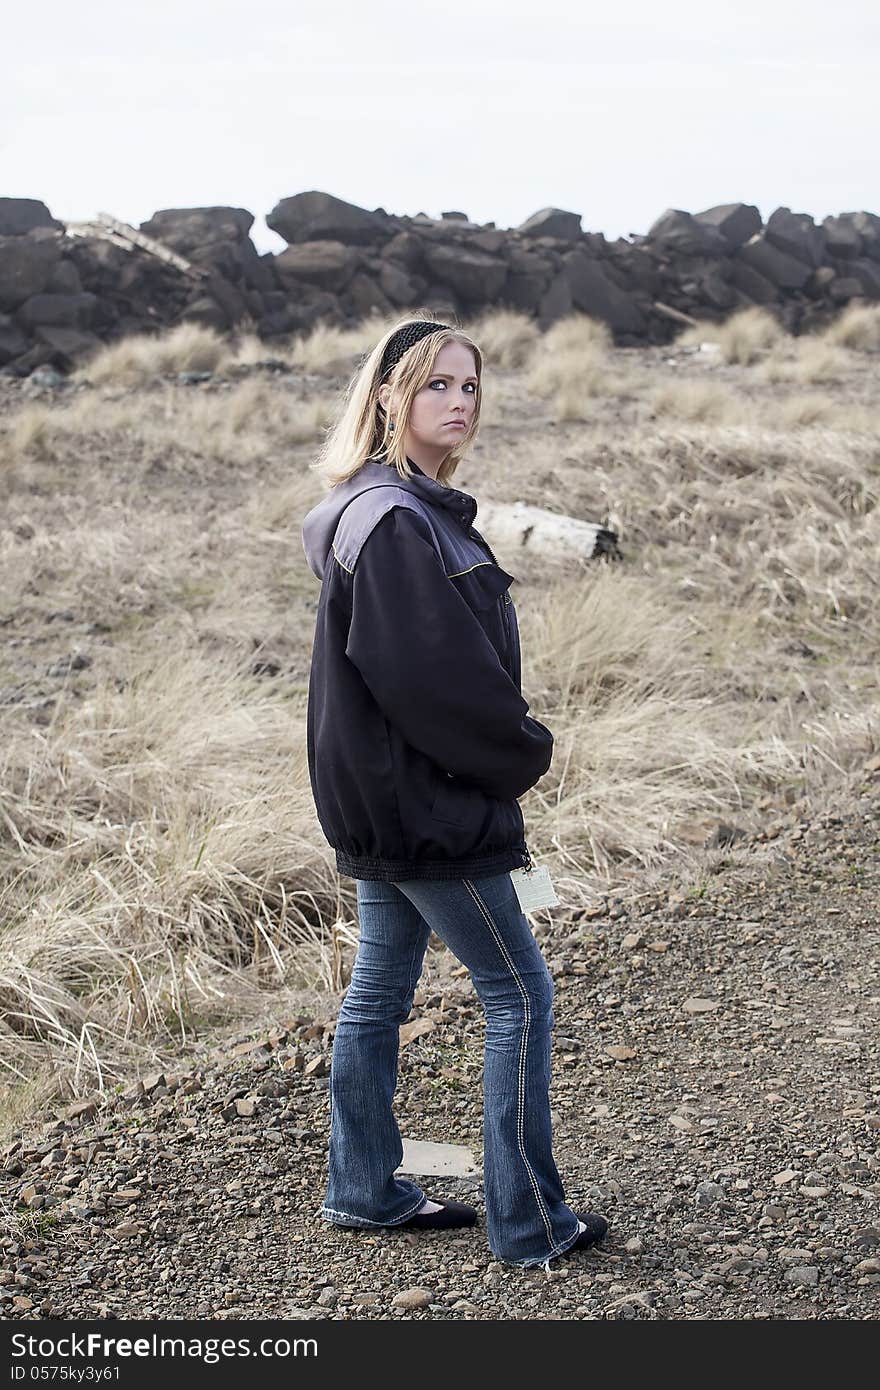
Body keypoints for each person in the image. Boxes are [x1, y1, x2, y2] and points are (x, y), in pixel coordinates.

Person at [300, 313, 608, 1271]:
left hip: (382, 803)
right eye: (439, 385)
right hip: (428, 806)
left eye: (471, 386)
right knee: (520, 994)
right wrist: (522, 751)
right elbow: (430, 679)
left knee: (378, 991)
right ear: (390, 394)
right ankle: (530, 1223)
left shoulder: (392, 506)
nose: (460, 403)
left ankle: (363, 1191)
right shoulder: (395, 521)